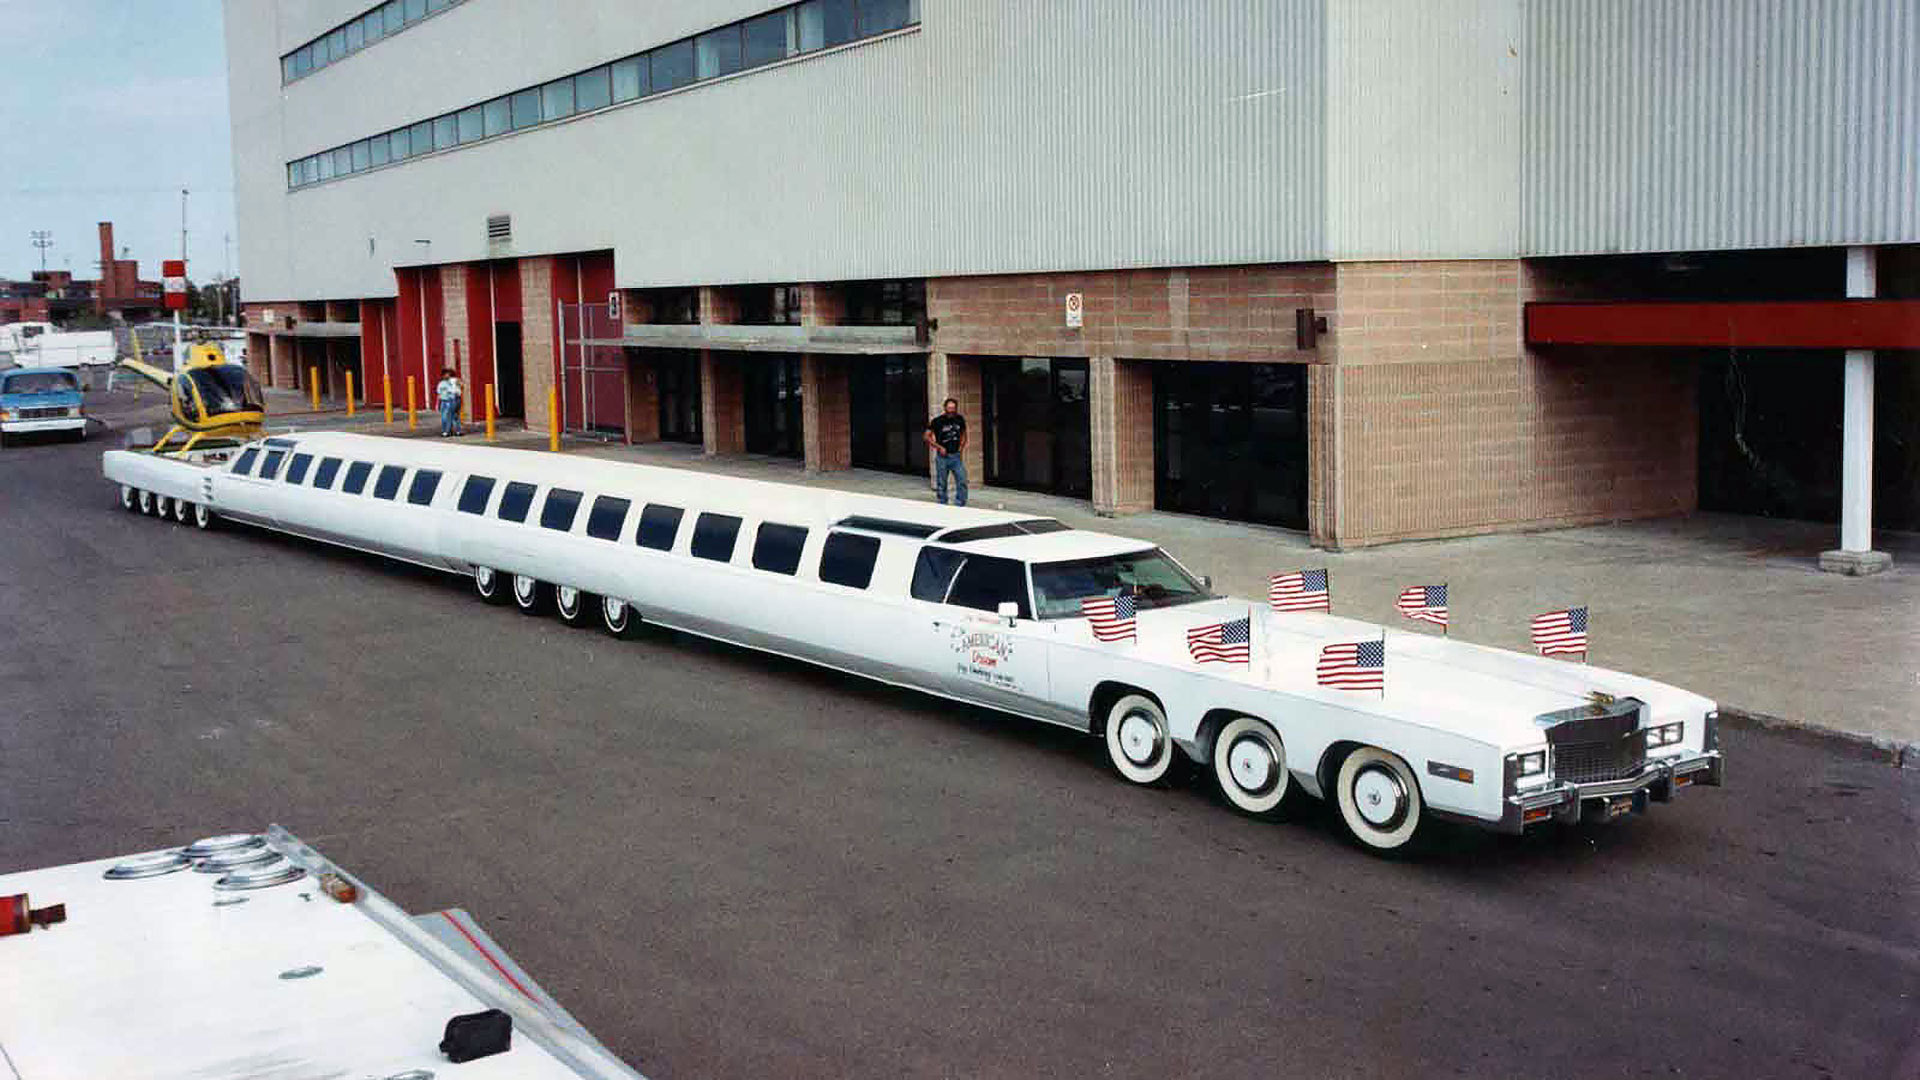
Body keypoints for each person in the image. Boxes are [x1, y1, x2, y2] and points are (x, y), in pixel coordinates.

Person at [924, 397, 968, 507]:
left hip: (956, 456)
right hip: (942, 457)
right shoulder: (937, 421)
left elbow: (964, 434)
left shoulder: (960, 419)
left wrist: (961, 447)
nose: (951, 410)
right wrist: (938, 447)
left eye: (953, 408)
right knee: (942, 482)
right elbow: (926, 436)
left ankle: (960, 503)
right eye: (949, 408)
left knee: (962, 480)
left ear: (956, 408)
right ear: (945, 408)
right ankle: (942, 503)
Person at [435, 367, 464, 437]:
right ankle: (450, 430)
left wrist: (458, 383)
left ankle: (449, 431)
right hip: (445, 400)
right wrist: (437, 404)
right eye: (445, 374)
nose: (446, 376)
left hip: (451, 400)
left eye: (448, 374)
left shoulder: (454, 381)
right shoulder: (441, 383)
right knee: (447, 417)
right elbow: (439, 394)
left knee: (452, 416)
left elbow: (460, 388)